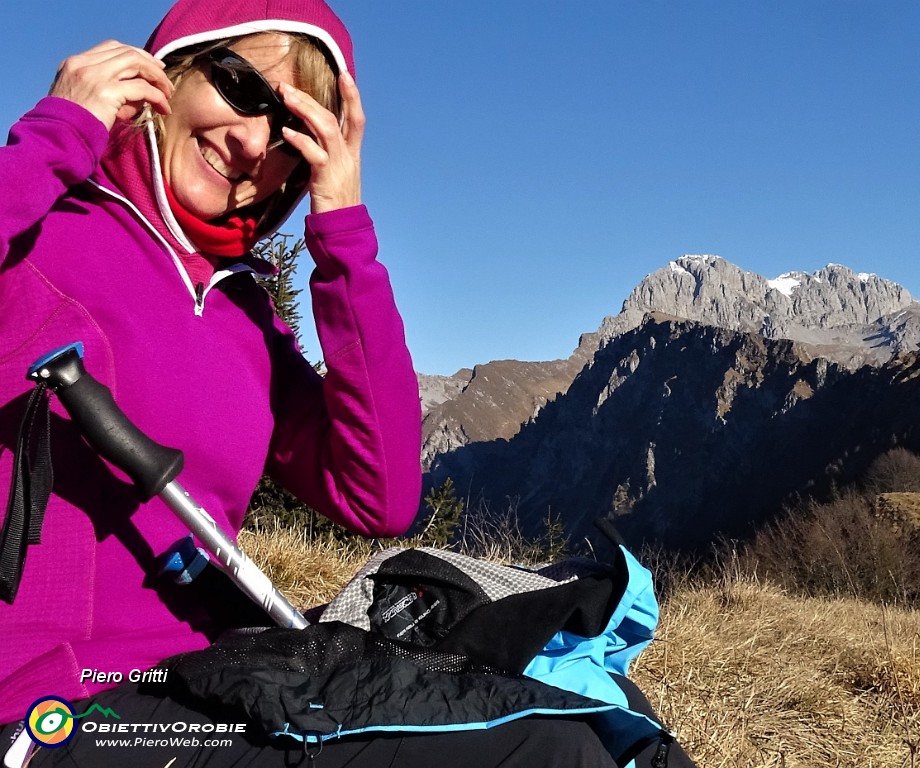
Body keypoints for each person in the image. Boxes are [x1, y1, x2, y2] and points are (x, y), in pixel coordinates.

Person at [0, 2, 692, 765]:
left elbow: (380, 495)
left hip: (205, 685)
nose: (253, 144)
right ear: (167, 71)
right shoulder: (39, 239)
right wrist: (57, 134)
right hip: (50, 712)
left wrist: (342, 227)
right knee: (553, 753)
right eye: (242, 88)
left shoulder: (247, 317)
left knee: (601, 710)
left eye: (294, 137)